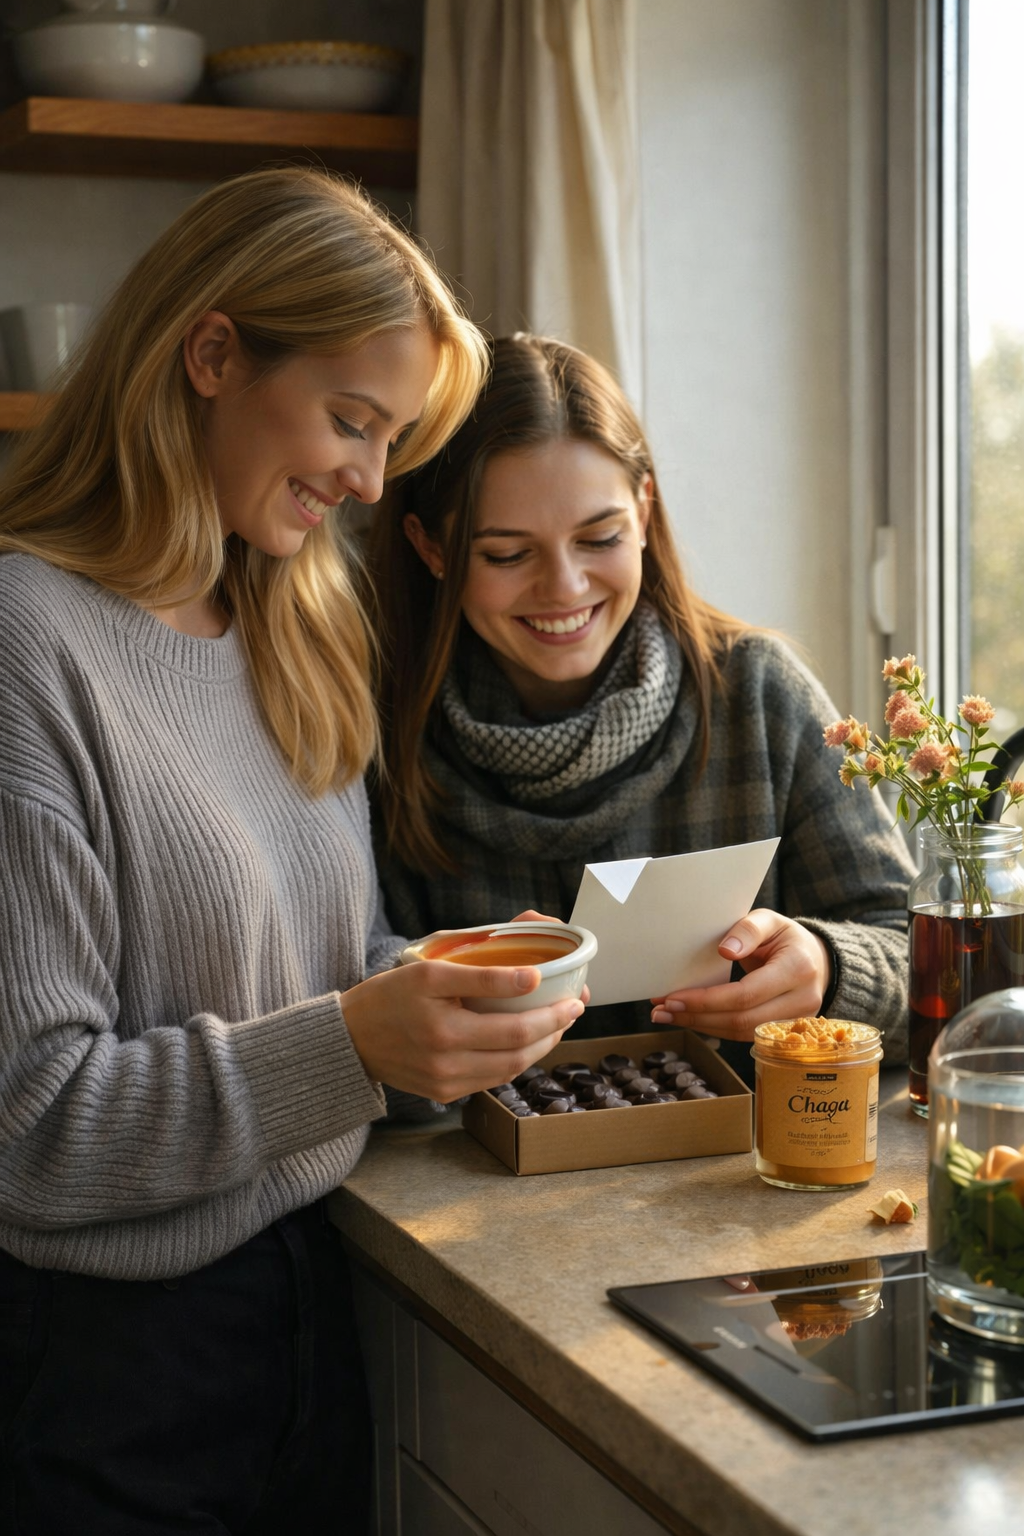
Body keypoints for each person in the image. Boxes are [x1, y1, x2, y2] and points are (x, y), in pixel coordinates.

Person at [0, 175, 585, 1535]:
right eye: (350, 420)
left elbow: (297, 977)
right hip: (102, 1373)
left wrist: (430, 990)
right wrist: (358, 1044)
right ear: (212, 356)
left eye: (389, 441)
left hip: (315, 1310)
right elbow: (29, 1131)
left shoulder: (281, 619)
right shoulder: (30, 644)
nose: (370, 482)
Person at [368, 333, 917, 1061]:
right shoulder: (377, 730)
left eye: (600, 538)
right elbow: (345, 995)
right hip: (473, 1170)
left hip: (742, 1159)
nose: (564, 587)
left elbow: (919, 948)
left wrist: (827, 966)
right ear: (431, 548)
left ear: (646, 509)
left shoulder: (756, 692)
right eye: (507, 553)